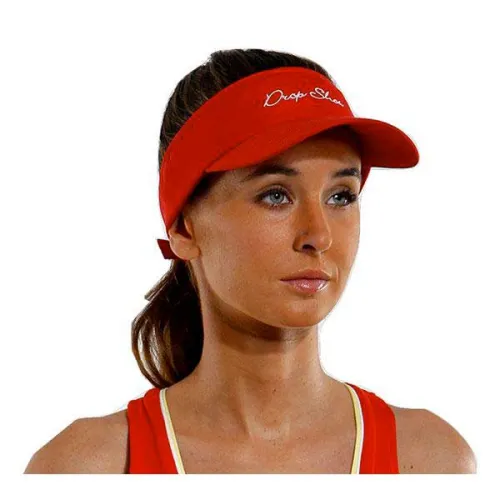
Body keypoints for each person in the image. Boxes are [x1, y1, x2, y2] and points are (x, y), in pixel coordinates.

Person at [24, 48, 477, 474]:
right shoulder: (86, 468)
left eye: (341, 196)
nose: (319, 236)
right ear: (184, 229)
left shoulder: (433, 461)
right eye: (275, 195)